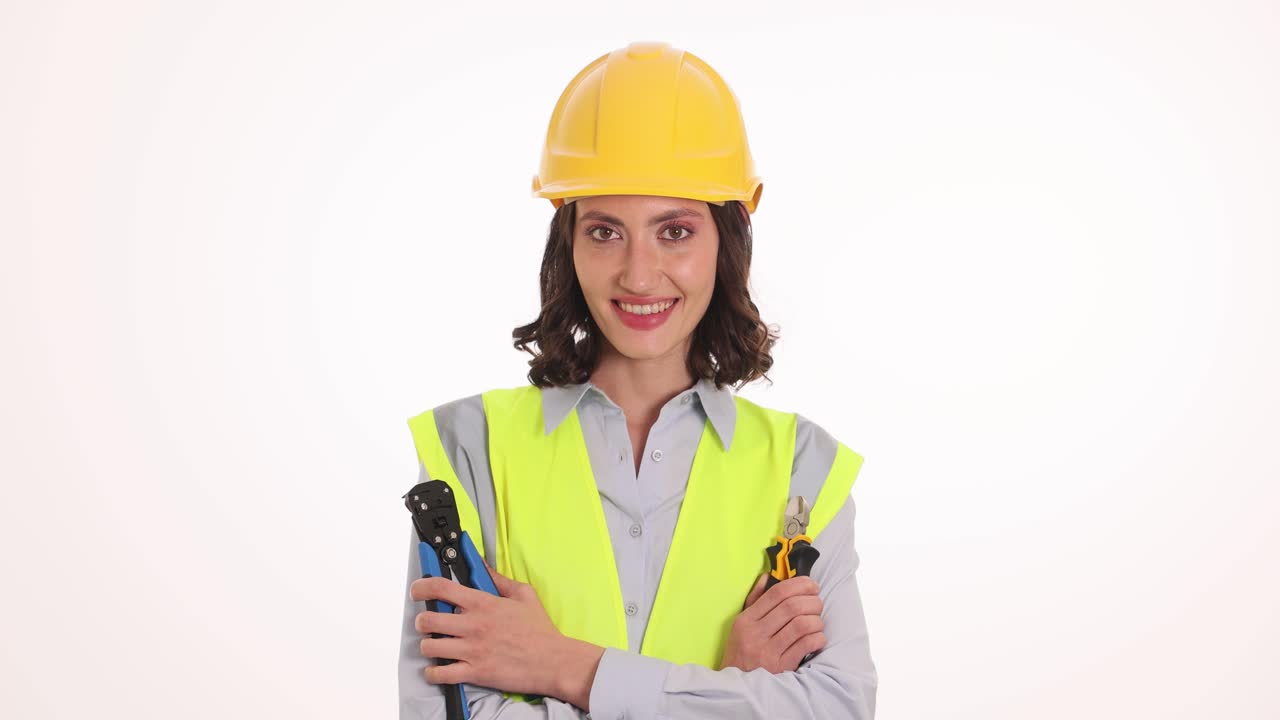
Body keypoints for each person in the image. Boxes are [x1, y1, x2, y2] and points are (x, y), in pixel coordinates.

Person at [397, 41, 877, 719]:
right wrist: (727, 685)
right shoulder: (470, 450)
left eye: (675, 231)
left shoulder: (805, 470)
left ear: (728, 241)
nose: (640, 275)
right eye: (604, 232)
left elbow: (836, 708)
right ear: (568, 242)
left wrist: (564, 667)